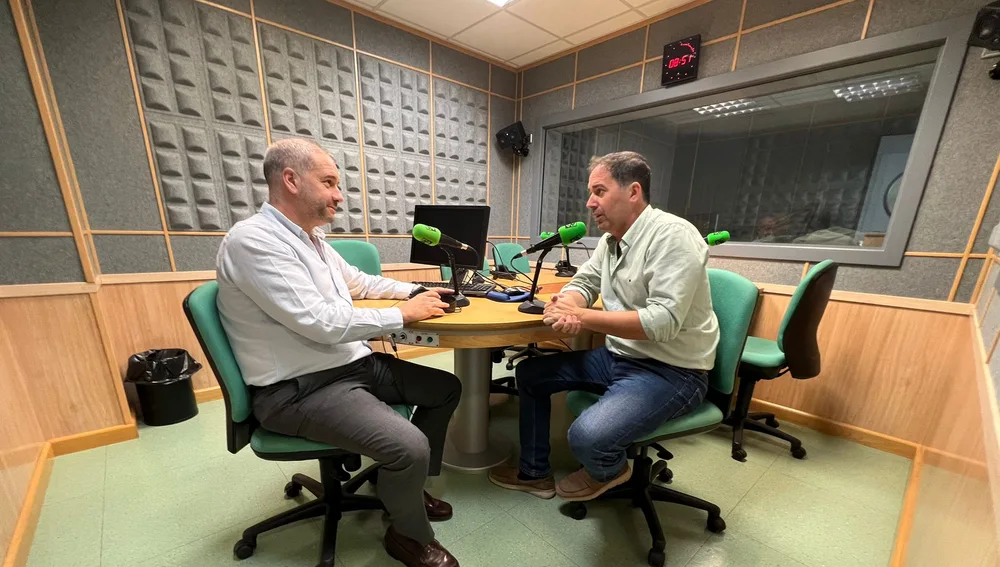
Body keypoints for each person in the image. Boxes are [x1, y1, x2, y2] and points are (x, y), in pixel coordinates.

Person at [216, 138, 462, 567]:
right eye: (329, 182)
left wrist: (418, 290)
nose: (338, 194)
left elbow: (362, 283)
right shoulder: (254, 241)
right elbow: (321, 323)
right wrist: (402, 315)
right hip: (297, 389)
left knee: (445, 388)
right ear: (290, 180)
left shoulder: (312, 240)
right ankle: (408, 535)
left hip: (349, 365)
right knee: (410, 446)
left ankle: (404, 489)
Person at [489, 151, 719, 502]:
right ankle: (534, 473)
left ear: (633, 192)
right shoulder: (612, 241)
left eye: (599, 191)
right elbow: (584, 282)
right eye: (590, 192)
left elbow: (662, 323)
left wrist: (582, 318)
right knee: (531, 375)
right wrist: (568, 304)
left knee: (587, 437)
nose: (589, 202)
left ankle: (610, 470)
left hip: (674, 373)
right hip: (620, 357)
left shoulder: (673, 236)